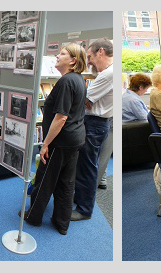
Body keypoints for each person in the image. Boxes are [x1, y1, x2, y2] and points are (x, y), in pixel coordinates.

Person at [24, 43, 87, 235]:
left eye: (62, 54)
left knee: (45, 179)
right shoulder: (78, 79)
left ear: (73, 60)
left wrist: (46, 144)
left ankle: (33, 217)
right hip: (75, 139)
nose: (57, 57)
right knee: (66, 183)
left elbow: (61, 118)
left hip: (61, 141)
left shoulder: (66, 81)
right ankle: (62, 223)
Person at [71, 39, 113, 221]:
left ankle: (84, 209)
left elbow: (86, 101)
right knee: (84, 164)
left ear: (100, 52)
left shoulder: (107, 74)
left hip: (95, 123)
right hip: (96, 123)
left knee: (87, 167)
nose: (88, 61)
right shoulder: (107, 73)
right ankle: (80, 199)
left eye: (90, 56)